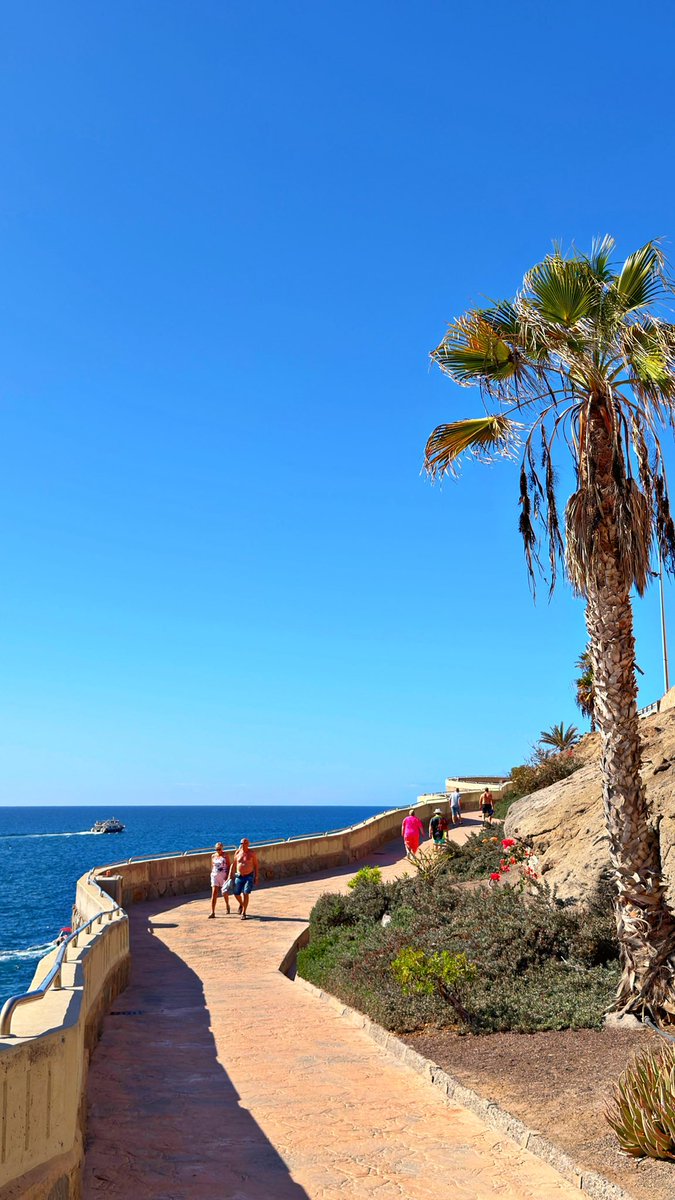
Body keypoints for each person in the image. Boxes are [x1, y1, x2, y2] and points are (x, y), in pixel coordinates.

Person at [229, 838, 260, 920]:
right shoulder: (237, 852)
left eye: (245, 843)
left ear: (248, 844)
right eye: (242, 843)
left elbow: (256, 865)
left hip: (249, 876)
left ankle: (244, 912)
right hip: (239, 876)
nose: (243, 845)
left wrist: (256, 877)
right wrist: (230, 875)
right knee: (236, 893)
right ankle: (242, 904)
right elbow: (234, 864)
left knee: (245, 893)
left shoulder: (252, 853)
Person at [208, 843, 231, 917]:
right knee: (214, 893)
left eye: (219, 849)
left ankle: (227, 904)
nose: (218, 851)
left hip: (223, 876)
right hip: (215, 876)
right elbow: (213, 866)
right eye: (217, 849)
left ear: (222, 848)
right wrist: (212, 873)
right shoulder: (213, 856)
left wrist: (228, 876)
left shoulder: (225, 855)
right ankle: (212, 912)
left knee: (224, 892)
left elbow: (229, 865)